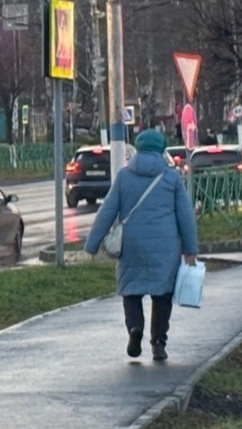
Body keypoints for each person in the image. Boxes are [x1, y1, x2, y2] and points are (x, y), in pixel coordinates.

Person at [85, 129, 199, 362]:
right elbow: (185, 217)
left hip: (132, 245)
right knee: (162, 295)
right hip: (165, 248)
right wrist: (190, 250)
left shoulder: (124, 176)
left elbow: (107, 210)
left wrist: (92, 244)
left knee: (132, 291)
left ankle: (135, 328)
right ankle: (158, 342)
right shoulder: (171, 178)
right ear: (161, 150)